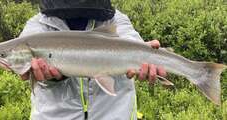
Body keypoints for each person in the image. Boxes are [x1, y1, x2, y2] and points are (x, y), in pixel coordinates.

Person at [19, 0, 167, 120]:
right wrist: (52, 79)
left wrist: (144, 54)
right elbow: (27, 70)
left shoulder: (116, 20)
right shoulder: (37, 26)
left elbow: (129, 39)